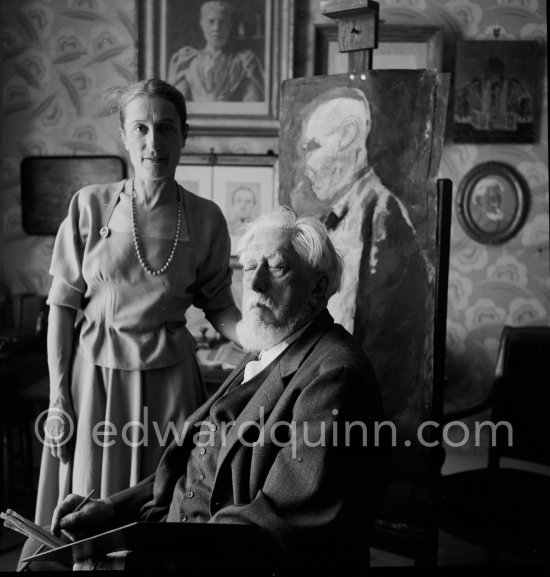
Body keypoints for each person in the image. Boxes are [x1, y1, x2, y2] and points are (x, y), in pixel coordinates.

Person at [20, 208, 388, 573]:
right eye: (248, 268)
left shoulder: (336, 376)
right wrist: (113, 509)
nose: (255, 284)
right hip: (170, 531)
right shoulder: (271, 346)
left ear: (318, 289)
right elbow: (193, 465)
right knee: (38, 545)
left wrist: (130, 562)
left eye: (277, 268)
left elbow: (275, 529)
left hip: (206, 556)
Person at [34, 78, 241, 528]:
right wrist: (58, 396)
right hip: (95, 383)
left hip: (170, 385)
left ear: (184, 135)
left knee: (165, 501)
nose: (154, 142)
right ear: (124, 135)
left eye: (166, 128)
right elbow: (62, 306)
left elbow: (219, 304)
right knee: (88, 507)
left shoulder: (207, 217)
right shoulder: (88, 206)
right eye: (142, 128)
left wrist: (262, 336)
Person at [298, 85, 429, 424]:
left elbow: (390, 345)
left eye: (312, 147)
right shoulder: (335, 217)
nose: (305, 164)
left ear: (348, 135)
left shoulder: (384, 216)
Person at [167, 0, 264, 102]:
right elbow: (177, 106)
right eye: (211, 22)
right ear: (202, 24)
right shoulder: (187, 61)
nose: (216, 28)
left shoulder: (244, 62)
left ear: (230, 26)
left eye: (222, 22)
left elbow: (252, 104)